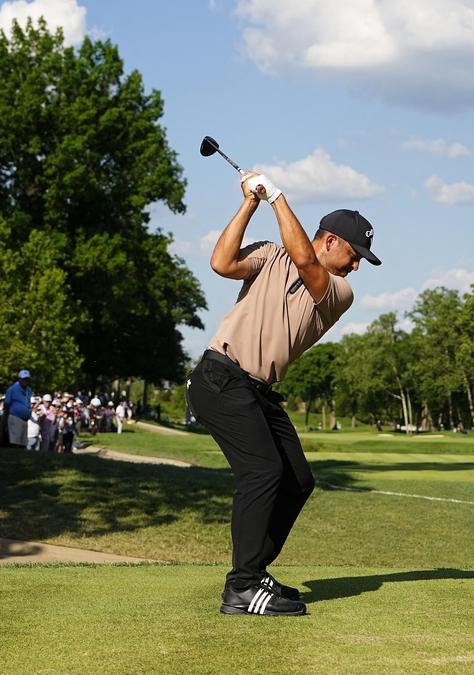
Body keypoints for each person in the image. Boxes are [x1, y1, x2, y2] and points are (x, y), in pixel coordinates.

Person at [186, 170, 380, 616]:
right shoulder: (270, 255)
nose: (356, 267)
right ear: (330, 240)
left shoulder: (339, 292)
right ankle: (242, 586)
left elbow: (308, 266)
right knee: (263, 472)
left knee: (297, 479)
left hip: (257, 390)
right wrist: (251, 203)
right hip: (220, 377)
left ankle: (253, 571)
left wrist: (277, 197)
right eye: (355, 255)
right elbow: (222, 263)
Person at [4, 370, 32, 449]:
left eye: (27, 379)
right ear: (19, 379)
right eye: (23, 379)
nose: (25, 381)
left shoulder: (29, 390)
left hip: (25, 419)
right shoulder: (12, 389)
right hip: (15, 417)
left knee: (23, 443)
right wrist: (6, 418)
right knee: (15, 441)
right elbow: (6, 404)